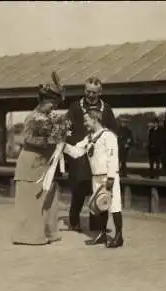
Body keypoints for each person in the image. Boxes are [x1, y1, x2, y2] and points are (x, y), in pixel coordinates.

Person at [11, 72, 65, 246]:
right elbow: (29, 139)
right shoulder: (34, 118)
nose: (54, 108)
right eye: (52, 104)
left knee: (48, 198)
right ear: (43, 102)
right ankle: (28, 236)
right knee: (32, 200)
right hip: (32, 162)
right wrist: (52, 140)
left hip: (44, 163)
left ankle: (49, 232)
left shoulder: (50, 118)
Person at [64, 109, 124, 248]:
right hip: (96, 177)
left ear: (95, 119)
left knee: (114, 205)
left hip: (109, 176)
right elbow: (76, 152)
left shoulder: (108, 136)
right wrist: (63, 146)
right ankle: (102, 234)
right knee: (100, 206)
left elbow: (113, 158)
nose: (85, 124)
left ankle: (119, 236)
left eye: (86, 120)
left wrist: (110, 178)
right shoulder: (89, 138)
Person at [65, 76, 118, 233]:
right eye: (88, 91)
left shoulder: (106, 109)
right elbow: (67, 128)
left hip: (98, 156)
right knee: (79, 189)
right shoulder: (75, 107)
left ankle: (97, 225)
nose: (90, 95)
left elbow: (114, 131)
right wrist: (71, 144)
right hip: (80, 155)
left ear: (100, 92)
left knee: (98, 190)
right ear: (84, 90)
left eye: (94, 92)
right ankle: (74, 221)